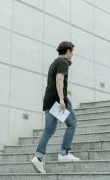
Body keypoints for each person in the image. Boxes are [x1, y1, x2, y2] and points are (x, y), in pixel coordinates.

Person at [31, 41, 80, 173]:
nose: (73, 54)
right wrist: (62, 100)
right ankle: (64, 153)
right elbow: (59, 80)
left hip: (49, 100)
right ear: (68, 51)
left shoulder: (54, 62)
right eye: (72, 52)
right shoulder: (62, 62)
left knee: (49, 130)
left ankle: (38, 157)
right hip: (57, 101)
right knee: (72, 124)